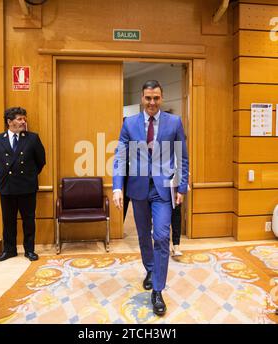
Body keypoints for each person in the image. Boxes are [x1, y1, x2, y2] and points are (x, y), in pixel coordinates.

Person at [113, 80, 188, 316]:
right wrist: (117, 187)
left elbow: (182, 157)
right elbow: (120, 156)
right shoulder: (130, 123)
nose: (152, 102)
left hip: (163, 189)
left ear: (161, 98)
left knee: (162, 235)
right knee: (144, 234)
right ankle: (150, 268)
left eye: (156, 98)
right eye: (148, 98)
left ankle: (158, 289)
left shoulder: (174, 122)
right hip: (138, 189)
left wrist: (182, 188)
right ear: (142, 98)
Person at [0, 107, 46, 262]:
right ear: (9, 121)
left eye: (24, 119)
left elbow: (41, 161)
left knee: (28, 220)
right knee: (8, 221)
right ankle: (9, 250)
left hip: (27, 186)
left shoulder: (32, 138)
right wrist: (5, 176)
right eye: (20, 119)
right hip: (7, 186)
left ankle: (29, 250)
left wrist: (30, 175)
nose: (23, 121)